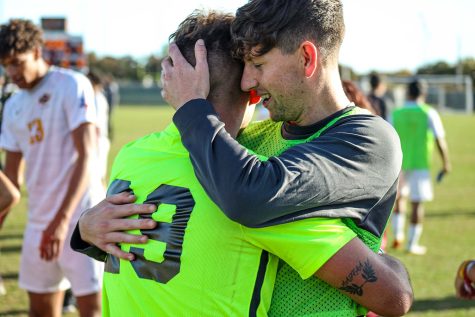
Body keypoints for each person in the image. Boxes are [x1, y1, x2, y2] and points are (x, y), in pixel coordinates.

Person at [73, 9, 412, 317]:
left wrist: (192, 106)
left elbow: (243, 199)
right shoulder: (242, 158)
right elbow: (393, 295)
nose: (251, 81)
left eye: (259, 65)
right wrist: (87, 228)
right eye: (247, 68)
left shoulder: (138, 153)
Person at [0, 19, 104, 317]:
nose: (11, 73)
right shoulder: (13, 106)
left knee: (93, 310)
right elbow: (10, 182)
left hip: (83, 220)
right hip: (38, 224)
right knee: (41, 311)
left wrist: (61, 223)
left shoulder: (71, 85)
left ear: (36, 51)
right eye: (5, 65)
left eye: (16, 63)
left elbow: (87, 157)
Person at [390, 79, 451, 255]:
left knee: (399, 199)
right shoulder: (429, 113)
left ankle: (398, 236)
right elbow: (440, 139)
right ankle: (412, 244)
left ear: (407, 92)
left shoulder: (397, 113)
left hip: (399, 162)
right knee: (417, 203)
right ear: (423, 93)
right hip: (420, 163)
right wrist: (446, 162)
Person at [87, 70, 111, 187]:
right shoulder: (100, 97)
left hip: (98, 140)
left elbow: (94, 124)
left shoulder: (95, 98)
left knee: (96, 176)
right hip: (101, 139)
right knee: (99, 175)